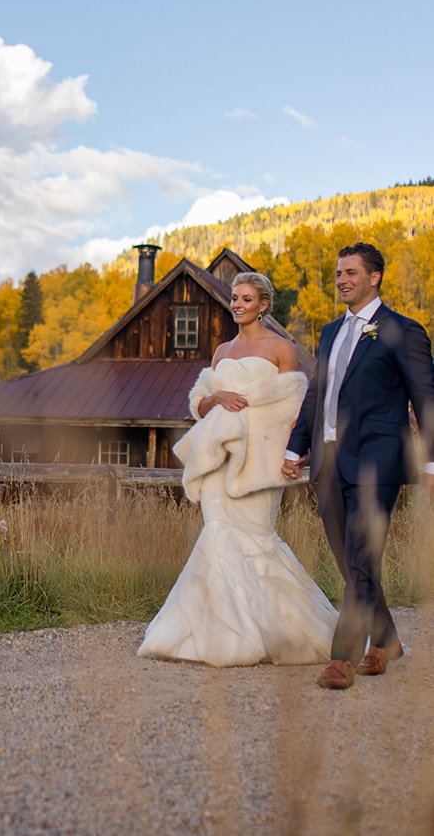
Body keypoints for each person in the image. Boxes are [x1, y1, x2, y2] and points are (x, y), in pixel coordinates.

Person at [139, 272, 337, 666]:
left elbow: (292, 412)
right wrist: (216, 399)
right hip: (219, 459)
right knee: (217, 536)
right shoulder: (221, 352)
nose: (238, 304)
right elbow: (199, 405)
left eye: (247, 299)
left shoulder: (282, 350)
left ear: (263, 305)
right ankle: (221, 639)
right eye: (234, 298)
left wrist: (291, 455)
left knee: (257, 539)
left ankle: (280, 631)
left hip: (260, 462)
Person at [283, 242, 434, 689]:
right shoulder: (329, 332)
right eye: (337, 274)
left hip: (377, 461)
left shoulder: (403, 331)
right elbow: (318, 395)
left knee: (363, 554)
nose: (342, 280)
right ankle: (387, 639)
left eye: (351, 273)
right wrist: (296, 448)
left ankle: (342, 658)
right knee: (352, 562)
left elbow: (426, 399)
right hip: (328, 462)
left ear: (375, 278)